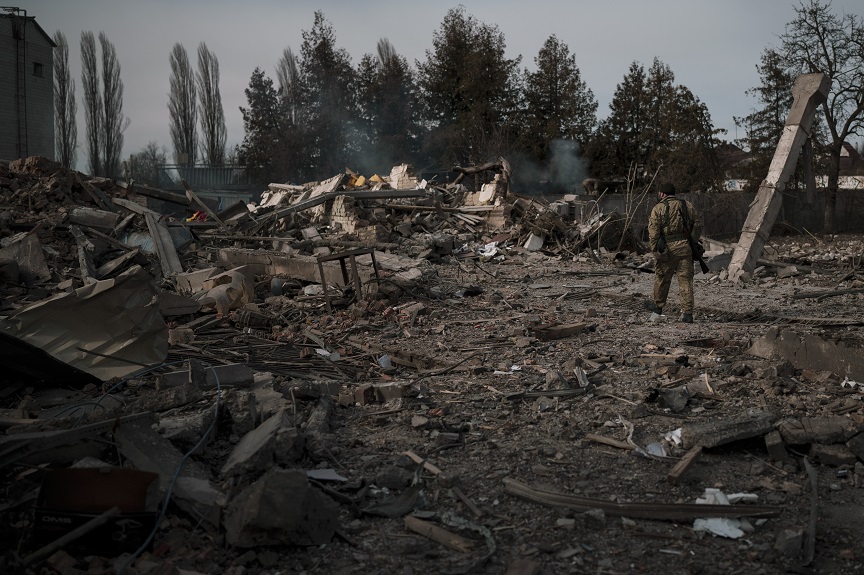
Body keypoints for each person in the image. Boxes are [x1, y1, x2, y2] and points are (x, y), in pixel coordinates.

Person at [645, 182, 703, 323]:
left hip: (668, 250)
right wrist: (693, 242)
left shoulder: (658, 208)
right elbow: (698, 224)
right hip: (685, 248)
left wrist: (655, 251)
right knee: (686, 281)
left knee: (662, 278)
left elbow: (653, 233)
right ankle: (687, 313)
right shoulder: (687, 205)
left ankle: (658, 308)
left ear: (662, 194)